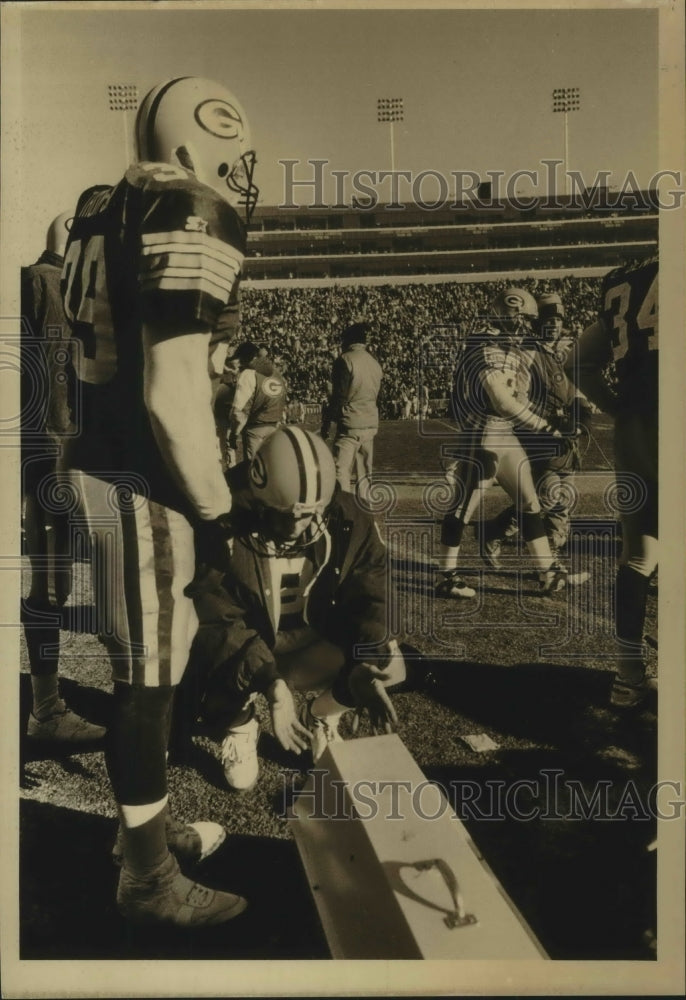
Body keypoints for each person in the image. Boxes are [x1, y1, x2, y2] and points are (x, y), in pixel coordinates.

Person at [59, 76, 259, 927]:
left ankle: (138, 840)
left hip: (93, 467)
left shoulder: (105, 207)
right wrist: (219, 513)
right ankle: (146, 880)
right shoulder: (187, 203)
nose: (242, 175)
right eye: (232, 157)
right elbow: (174, 390)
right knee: (149, 683)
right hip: (142, 483)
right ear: (192, 147)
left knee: (148, 670)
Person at [174, 427, 406, 790]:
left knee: (388, 662)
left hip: (306, 640)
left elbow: (374, 595)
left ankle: (323, 715)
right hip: (251, 645)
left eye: (308, 514)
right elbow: (216, 618)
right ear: (258, 497)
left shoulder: (345, 516)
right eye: (285, 514)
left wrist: (363, 662)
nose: (297, 526)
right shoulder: (223, 521)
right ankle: (240, 722)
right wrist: (270, 683)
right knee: (196, 642)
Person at [436, 288, 589, 600]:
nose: (524, 327)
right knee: (464, 507)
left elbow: (516, 397)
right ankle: (446, 576)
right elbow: (501, 399)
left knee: (530, 505)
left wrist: (553, 415)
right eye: (521, 320)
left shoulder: (510, 347)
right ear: (506, 317)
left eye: (527, 321)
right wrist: (545, 425)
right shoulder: (486, 343)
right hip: (484, 435)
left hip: (504, 433)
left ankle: (548, 573)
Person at [20, 211, 106, 744]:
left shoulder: (48, 283)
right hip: (57, 452)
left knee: (63, 579)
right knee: (55, 582)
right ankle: (46, 710)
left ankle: (48, 704)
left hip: (55, 451)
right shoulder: (48, 283)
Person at [565, 255, 658, 709]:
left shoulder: (627, 275)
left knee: (638, 556)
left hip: (636, 428)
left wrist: (620, 408)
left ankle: (628, 677)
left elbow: (577, 363)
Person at [481, 292, 594, 566]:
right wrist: (551, 421)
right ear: (537, 322)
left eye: (558, 319)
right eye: (548, 319)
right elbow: (519, 398)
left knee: (562, 500)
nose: (554, 324)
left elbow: (577, 391)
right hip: (540, 438)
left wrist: (580, 416)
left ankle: (552, 556)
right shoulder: (526, 352)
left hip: (566, 442)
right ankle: (495, 531)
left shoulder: (565, 353)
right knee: (545, 496)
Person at [329, 322, 383, 496]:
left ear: (348, 341)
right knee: (365, 474)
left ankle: (343, 512)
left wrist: (328, 422)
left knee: (341, 471)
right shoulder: (374, 363)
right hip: (370, 423)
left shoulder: (345, 360)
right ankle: (364, 514)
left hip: (350, 424)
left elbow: (340, 396)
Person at [227, 340, 287, 460]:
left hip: (255, 428)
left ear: (244, 358)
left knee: (254, 471)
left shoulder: (248, 374)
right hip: (274, 425)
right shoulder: (276, 373)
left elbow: (238, 412)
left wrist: (233, 435)